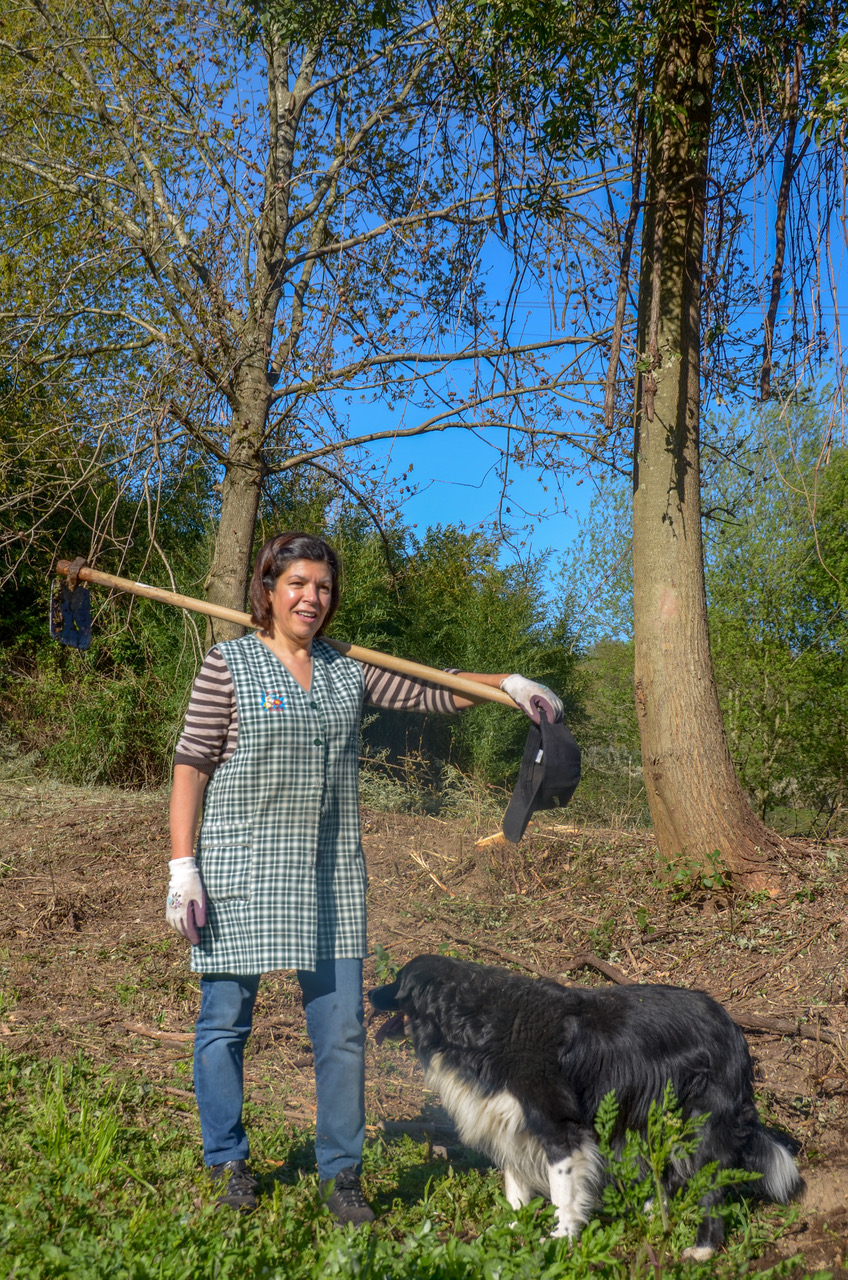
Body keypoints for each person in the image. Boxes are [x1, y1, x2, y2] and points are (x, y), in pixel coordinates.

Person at [165, 531, 563, 1225]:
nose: (311, 598)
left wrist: (506, 684)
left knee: (344, 1029)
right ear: (268, 590)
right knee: (225, 1022)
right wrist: (181, 866)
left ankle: (342, 1173)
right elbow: (191, 764)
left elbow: (433, 689)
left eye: (322, 587)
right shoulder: (226, 664)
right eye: (297, 584)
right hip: (239, 869)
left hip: (328, 877)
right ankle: (228, 1161)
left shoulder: (349, 668)